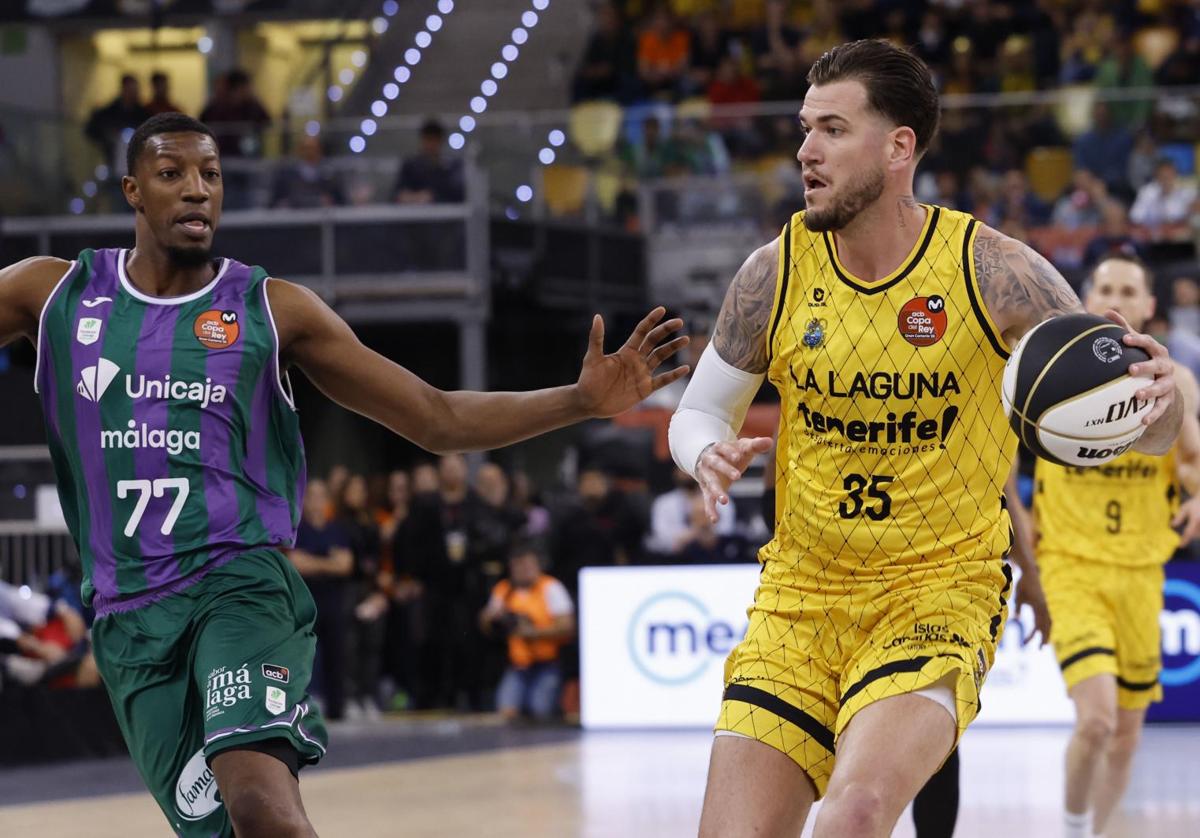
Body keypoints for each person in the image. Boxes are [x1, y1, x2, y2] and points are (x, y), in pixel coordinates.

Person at [0, 111, 686, 836]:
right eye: (173, 175)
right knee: (223, 830)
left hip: (238, 591)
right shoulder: (57, 294)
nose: (197, 190)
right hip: (129, 614)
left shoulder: (270, 309)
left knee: (264, 808)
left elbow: (435, 416)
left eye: (211, 175)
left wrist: (578, 401)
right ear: (135, 191)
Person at [667, 40, 1180, 838]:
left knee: (859, 811)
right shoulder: (773, 273)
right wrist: (703, 450)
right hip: (800, 594)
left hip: (939, 587)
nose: (805, 150)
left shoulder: (997, 272)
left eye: (833, 130)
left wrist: (1160, 404)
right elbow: (698, 411)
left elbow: (1129, 426)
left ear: (898, 146)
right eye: (806, 128)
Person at [1013, 254, 1200, 838]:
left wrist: (1196, 496)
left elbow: (1192, 463)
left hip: (1143, 569)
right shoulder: (1049, 362)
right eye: (1106, 287)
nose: (1116, 296)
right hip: (1070, 564)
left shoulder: (1178, 380)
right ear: (1085, 301)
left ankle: (1100, 830)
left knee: (1127, 731)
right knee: (1094, 722)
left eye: (1129, 289)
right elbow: (999, 458)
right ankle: (1072, 828)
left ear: (1148, 307)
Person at [479, 541, 574, 721]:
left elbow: (567, 626)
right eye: (517, 566)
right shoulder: (505, 589)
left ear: (537, 565)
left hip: (548, 663)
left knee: (540, 710)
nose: (522, 571)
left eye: (527, 565)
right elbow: (486, 624)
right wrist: (491, 618)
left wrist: (533, 632)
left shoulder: (551, 587)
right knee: (506, 711)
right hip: (519, 665)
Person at [288, 479, 353, 721]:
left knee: (337, 656)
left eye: (320, 496)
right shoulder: (298, 530)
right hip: (306, 605)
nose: (315, 501)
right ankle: (301, 710)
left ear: (327, 500)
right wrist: (329, 563)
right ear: (304, 501)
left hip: (334, 603)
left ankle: (337, 710)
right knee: (303, 659)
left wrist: (313, 562)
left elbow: (345, 565)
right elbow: (296, 564)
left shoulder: (337, 529)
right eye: (311, 496)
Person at [84, 74, 152, 173]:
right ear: (123, 89)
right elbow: (91, 131)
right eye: (130, 90)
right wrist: (107, 138)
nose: (132, 94)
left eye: (134, 91)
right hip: (112, 162)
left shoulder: (143, 115)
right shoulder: (108, 113)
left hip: (137, 165)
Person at [269, 135, 344, 209]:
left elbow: (342, 202)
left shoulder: (330, 176)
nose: (309, 152)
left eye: (313, 148)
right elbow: (274, 202)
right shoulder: (286, 176)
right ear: (299, 150)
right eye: (306, 148)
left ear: (320, 150)